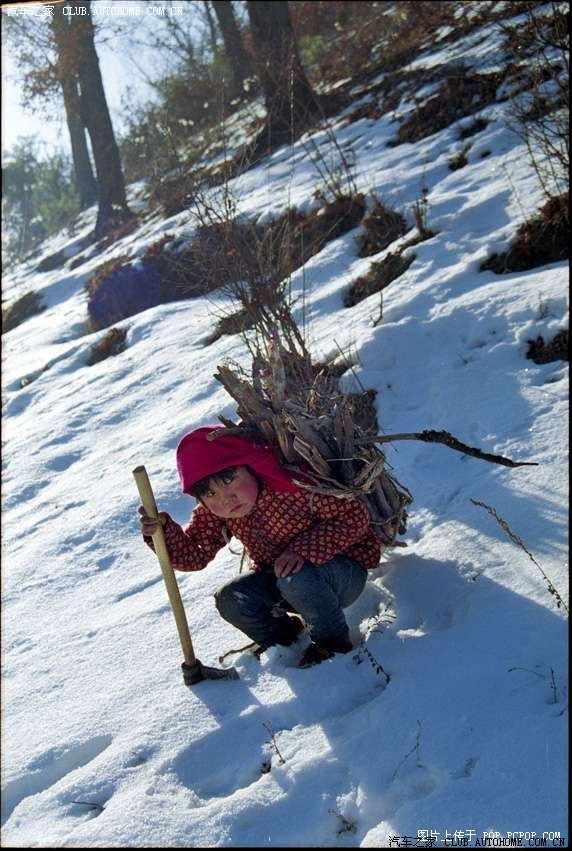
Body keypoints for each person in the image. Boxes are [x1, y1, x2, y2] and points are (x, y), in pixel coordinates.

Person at [139, 426, 383, 668]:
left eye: (229, 479)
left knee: (295, 577)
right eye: (210, 493)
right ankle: (286, 638)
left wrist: (302, 550)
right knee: (230, 598)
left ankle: (333, 645)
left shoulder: (293, 486)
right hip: (283, 583)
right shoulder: (219, 513)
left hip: (339, 577)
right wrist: (164, 535)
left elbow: (353, 517)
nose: (225, 498)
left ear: (250, 466)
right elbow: (195, 554)